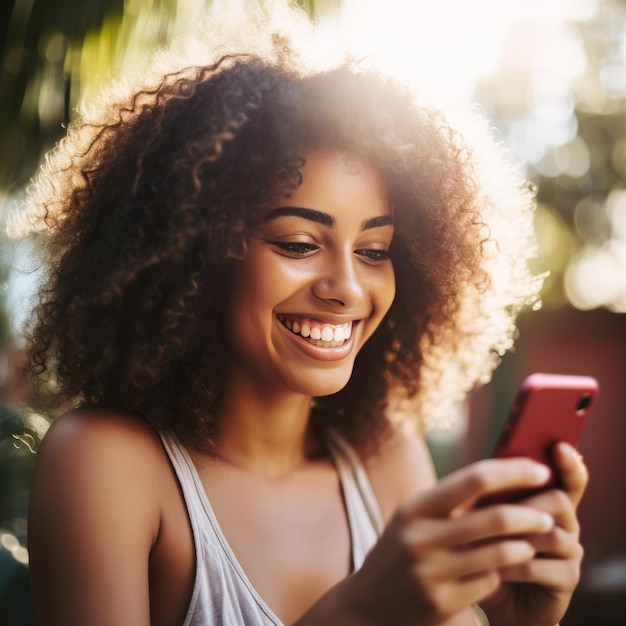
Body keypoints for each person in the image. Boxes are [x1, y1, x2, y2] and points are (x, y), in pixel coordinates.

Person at [20, 5, 587, 626]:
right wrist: (360, 612)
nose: (347, 288)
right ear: (194, 254)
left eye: (374, 251)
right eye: (298, 244)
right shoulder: (107, 463)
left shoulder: (384, 459)